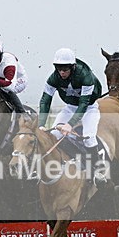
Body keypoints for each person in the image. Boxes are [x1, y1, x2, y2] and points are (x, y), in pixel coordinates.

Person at [38, 48, 103, 185]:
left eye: (65, 69)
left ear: (73, 67)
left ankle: (98, 170)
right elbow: (45, 100)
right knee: (55, 135)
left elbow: (84, 103)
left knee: (89, 138)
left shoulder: (86, 75)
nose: (62, 72)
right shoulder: (53, 78)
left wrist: (70, 124)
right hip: (70, 107)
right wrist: (41, 124)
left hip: (89, 108)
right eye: (59, 68)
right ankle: (65, 163)